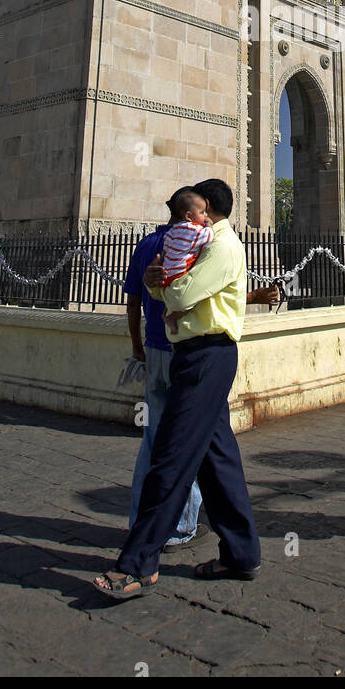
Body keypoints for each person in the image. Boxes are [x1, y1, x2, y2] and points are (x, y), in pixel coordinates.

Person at [94, 178, 262, 598]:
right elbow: (168, 290)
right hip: (194, 355)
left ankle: (137, 563)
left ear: (208, 206)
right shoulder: (204, 243)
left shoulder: (222, 246)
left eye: (198, 207)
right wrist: (156, 282)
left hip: (207, 357)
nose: (192, 216)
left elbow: (182, 294)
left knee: (170, 456)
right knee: (217, 460)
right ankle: (241, 553)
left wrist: (160, 285)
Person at [123, 190, 277, 544]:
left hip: (157, 347)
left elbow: (135, 302)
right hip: (190, 354)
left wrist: (137, 349)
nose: (204, 217)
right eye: (200, 211)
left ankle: (236, 547)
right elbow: (195, 293)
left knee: (165, 443)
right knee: (182, 447)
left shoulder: (149, 243)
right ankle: (173, 531)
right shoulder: (206, 242)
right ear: (195, 212)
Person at [159, 188, 214, 334]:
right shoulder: (195, 230)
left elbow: (166, 246)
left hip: (167, 272)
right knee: (193, 299)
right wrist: (209, 226)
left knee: (169, 295)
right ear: (189, 216)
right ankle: (172, 317)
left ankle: (165, 313)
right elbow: (208, 239)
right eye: (202, 212)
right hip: (180, 272)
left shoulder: (174, 229)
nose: (206, 215)